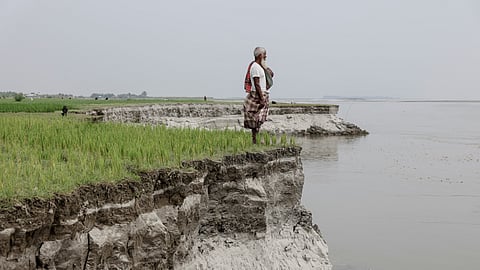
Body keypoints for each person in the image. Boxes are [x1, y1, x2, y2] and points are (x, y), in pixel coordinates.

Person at [243, 47, 274, 144]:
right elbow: (257, 84)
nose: (266, 56)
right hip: (259, 94)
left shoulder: (259, 66)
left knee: (258, 118)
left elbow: (269, 75)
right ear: (260, 55)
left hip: (261, 94)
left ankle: (255, 140)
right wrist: (261, 98)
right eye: (264, 54)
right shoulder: (255, 67)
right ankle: (255, 140)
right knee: (257, 118)